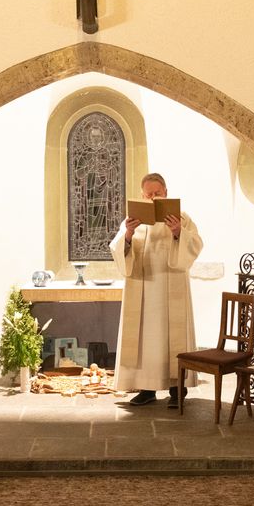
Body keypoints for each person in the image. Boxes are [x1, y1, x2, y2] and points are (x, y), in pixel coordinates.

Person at [110, 173, 203, 408]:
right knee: (145, 342)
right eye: (148, 194)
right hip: (143, 290)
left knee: (173, 341)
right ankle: (146, 389)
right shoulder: (133, 220)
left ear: (166, 193)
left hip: (172, 288)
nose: (153, 198)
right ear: (142, 196)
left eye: (157, 193)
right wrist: (128, 234)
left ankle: (177, 389)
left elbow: (196, 244)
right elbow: (117, 248)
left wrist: (178, 232)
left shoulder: (181, 218)